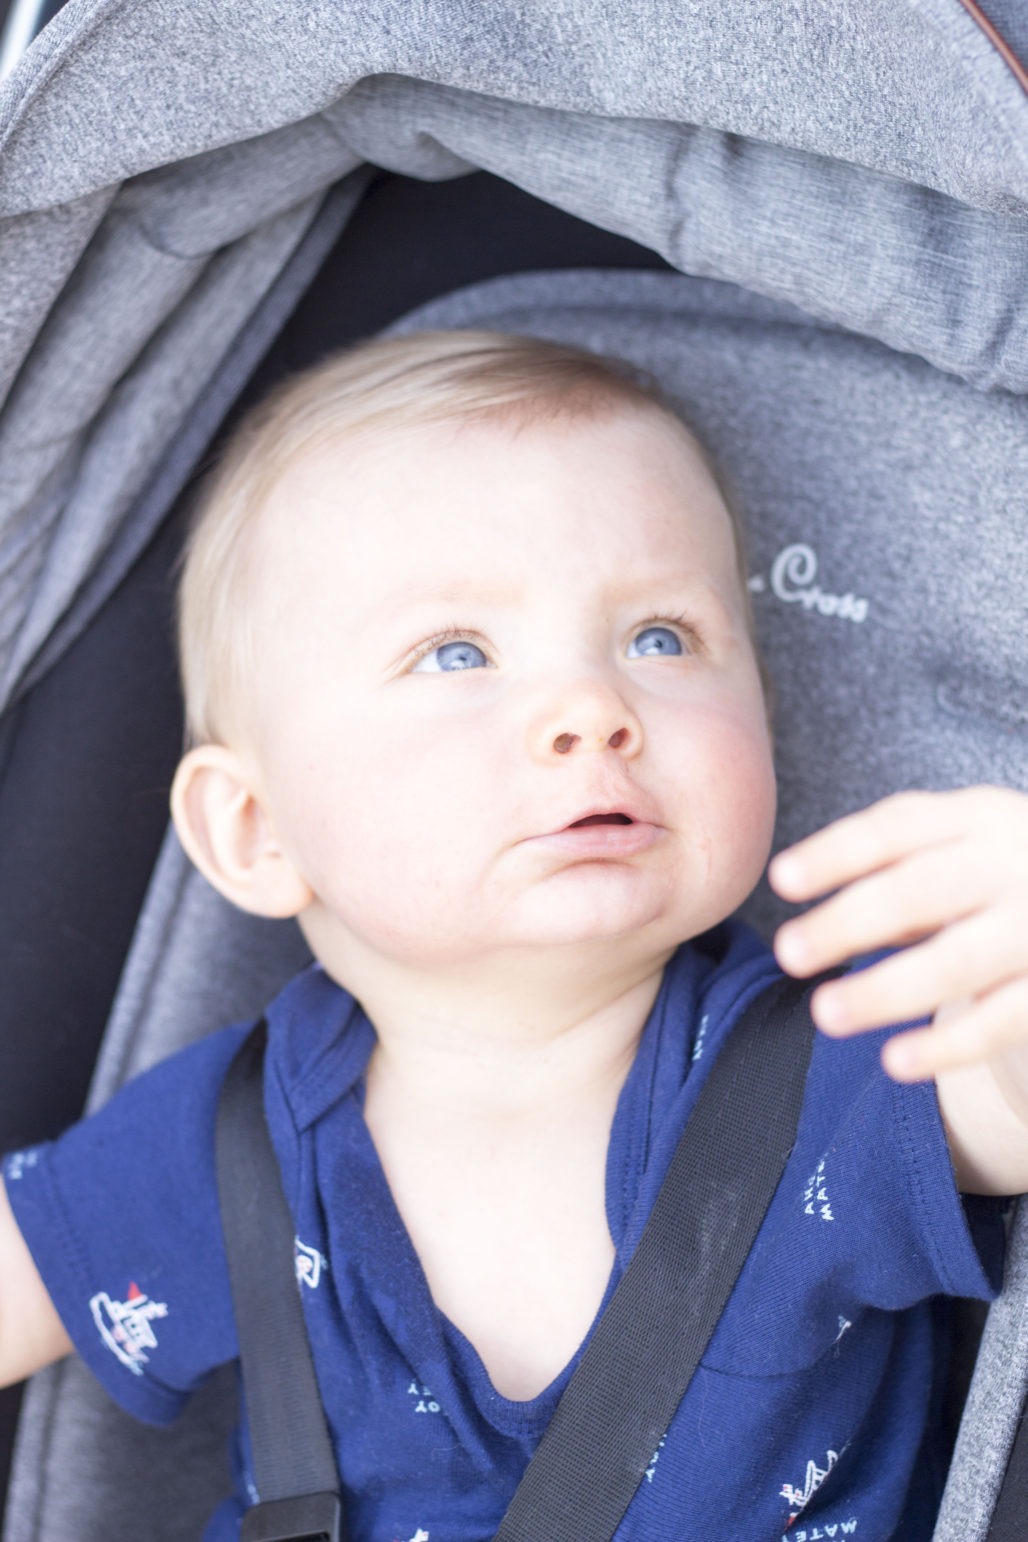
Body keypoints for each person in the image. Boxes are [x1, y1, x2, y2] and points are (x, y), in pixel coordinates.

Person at [0, 330, 1026, 1542]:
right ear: (255, 829)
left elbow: (1000, 1098)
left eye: (661, 638)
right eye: (457, 652)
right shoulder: (223, 1141)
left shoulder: (834, 1065)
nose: (591, 709)